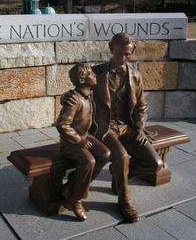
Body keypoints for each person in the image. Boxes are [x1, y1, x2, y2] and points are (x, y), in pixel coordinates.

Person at [62, 33, 163, 223]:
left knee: (155, 164)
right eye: (119, 54)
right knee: (122, 156)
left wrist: (140, 128)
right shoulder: (97, 72)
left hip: (128, 127)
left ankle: (120, 176)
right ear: (111, 49)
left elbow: (142, 106)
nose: (123, 58)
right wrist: (64, 98)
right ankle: (124, 201)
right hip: (105, 129)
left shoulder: (136, 75)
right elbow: (78, 91)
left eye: (128, 54)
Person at [55, 63, 111, 221]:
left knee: (105, 154)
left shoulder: (89, 93)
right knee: (89, 161)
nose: (94, 76)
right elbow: (62, 125)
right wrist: (79, 140)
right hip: (70, 142)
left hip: (85, 136)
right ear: (81, 79)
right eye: (91, 74)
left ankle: (73, 183)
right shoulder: (74, 99)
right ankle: (76, 198)